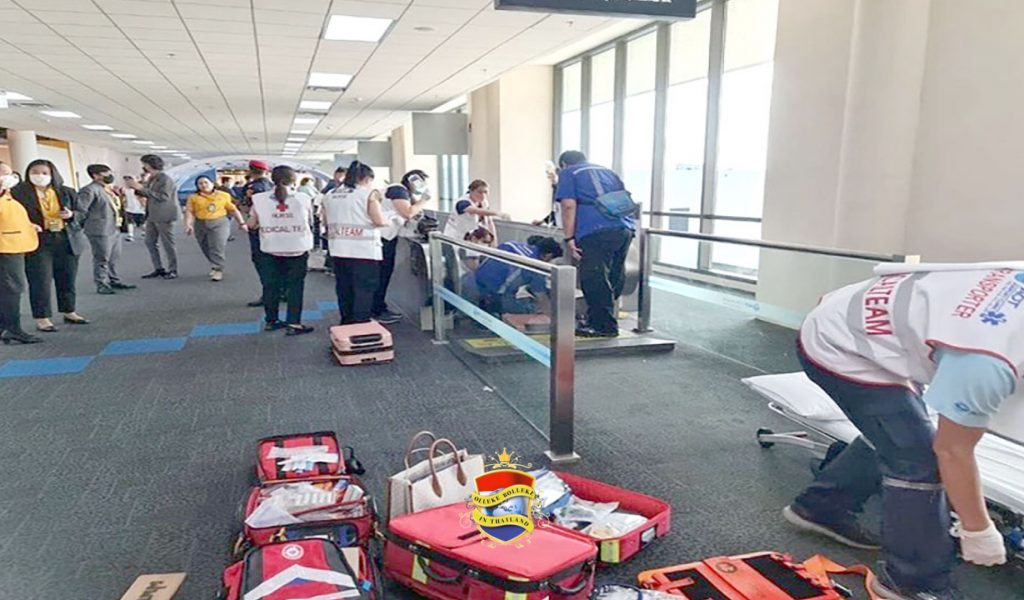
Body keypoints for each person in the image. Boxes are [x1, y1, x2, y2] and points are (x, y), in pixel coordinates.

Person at [785, 264, 1019, 600]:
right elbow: (952, 450)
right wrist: (978, 529)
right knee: (918, 459)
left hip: (869, 316)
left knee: (897, 429)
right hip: (839, 345)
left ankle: (822, 505)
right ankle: (911, 583)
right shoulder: (985, 361)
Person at [555, 150, 635, 338]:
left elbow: (568, 205)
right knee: (614, 273)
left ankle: (603, 325)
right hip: (624, 228)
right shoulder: (608, 171)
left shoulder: (569, 173)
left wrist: (569, 238)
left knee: (593, 277)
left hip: (594, 230)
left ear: (564, 164)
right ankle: (599, 318)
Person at [10, 159, 90, 331]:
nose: (40, 176)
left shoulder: (66, 191)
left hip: (65, 238)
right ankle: (42, 317)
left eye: (44, 173)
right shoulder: (19, 193)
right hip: (38, 239)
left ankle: (69, 311)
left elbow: (82, 213)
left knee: (67, 277)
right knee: (40, 280)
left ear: (52, 174)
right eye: (35, 172)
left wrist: (71, 215)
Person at [246, 166, 314, 336]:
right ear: (293, 180)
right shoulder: (303, 198)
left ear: (272, 179)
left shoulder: (259, 199)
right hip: (297, 249)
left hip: (270, 249)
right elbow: (310, 220)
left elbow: (251, 225)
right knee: (295, 287)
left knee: (271, 286)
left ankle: (271, 321)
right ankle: (294, 323)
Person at [322, 161, 389, 326]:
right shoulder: (368, 194)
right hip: (363, 251)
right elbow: (378, 220)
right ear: (365, 178)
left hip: (338, 249)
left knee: (344, 288)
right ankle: (360, 325)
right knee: (364, 290)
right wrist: (391, 220)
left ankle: (346, 322)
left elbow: (325, 220)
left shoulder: (330, 194)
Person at [375, 170, 433, 324]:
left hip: (386, 237)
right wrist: (424, 200)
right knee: (380, 275)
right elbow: (407, 213)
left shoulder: (402, 193)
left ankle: (378, 307)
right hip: (381, 238)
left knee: (384, 274)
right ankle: (376, 310)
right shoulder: (397, 189)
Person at [0, 162, 42, 344]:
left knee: (8, 289)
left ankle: (5, 327)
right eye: (5, 173)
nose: (10, 177)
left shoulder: (7, 195)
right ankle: (13, 329)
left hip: (14, 245)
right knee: (12, 288)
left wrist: (29, 226)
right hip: (6, 247)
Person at [78, 164, 136, 295]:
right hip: (99, 229)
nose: (110, 176)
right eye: (106, 173)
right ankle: (101, 283)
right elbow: (82, 209)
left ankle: (113, 280)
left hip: (114, 227)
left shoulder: (107, 189)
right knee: (102, 257)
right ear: (96, 176)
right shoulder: (89, 190)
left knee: (114, 257)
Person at [472, 236, 563, 316]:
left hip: (472, 282)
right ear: (547, 256)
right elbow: (542, 298)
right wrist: (556, 319)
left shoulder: (511, 244)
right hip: (492, 297)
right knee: (531, 307)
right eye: (551, 260)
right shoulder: (534, 266)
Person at [184, 175, 246, 282]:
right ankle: (214, 263)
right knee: (205, 247)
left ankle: (218, 269)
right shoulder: (193, 197)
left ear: (212, 183)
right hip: (201, 223)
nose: (203, 185)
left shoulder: (223, 195)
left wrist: (241, 222)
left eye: (206, 182)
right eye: (200, 183)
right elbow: (189, 212)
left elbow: (233, 210)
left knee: (217, 246)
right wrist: (188, 225)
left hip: (219, 223)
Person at [127, 154, 180, 279]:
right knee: (150, 242)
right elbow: (148, 193)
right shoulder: (152, 178)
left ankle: (173, 269)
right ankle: (158, 268)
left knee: (168, 244)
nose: (143, 167)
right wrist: (137, 188)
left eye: (144, 164)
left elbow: (163, 197)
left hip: (164, 215)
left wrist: (141, 188)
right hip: (152, 215)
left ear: (150, 165)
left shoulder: (165, 179)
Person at [242, 160, 274, 307]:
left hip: (258, 228)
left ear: (250, 170)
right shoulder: (272, 186)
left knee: (262, 262)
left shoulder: (252, 187)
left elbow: (248, 208)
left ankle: (268, 294)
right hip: (274, 229)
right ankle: (281, 291)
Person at [442, 179, 507, 241]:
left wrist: (493, 239)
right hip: (455, 236)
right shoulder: (462, 202)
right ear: (471, 191)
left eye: (485, 192)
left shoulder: (484, 203)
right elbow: (475, 211)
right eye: (479, 192)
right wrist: (497, 213)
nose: (483, 195)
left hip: (470, 237)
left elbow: (489, 222)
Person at [299, 176, 325, 251]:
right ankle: (316, 244)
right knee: (315, 227)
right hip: (313, 209)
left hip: (304, 210)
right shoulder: (308, 188)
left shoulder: (300, 188)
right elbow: (315, 196)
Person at [122, 176, 145, 242]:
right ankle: (130, 235)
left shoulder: (138, 189)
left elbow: (142, 198)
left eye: (129, 180)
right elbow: (124, 198)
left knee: (142, 223)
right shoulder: (125, 189)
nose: (127, 182)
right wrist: (124, 204)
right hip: (129, 208)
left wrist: (143, 206)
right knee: (130, 222)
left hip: (139, 209)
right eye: (126, 181)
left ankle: (145, 232)